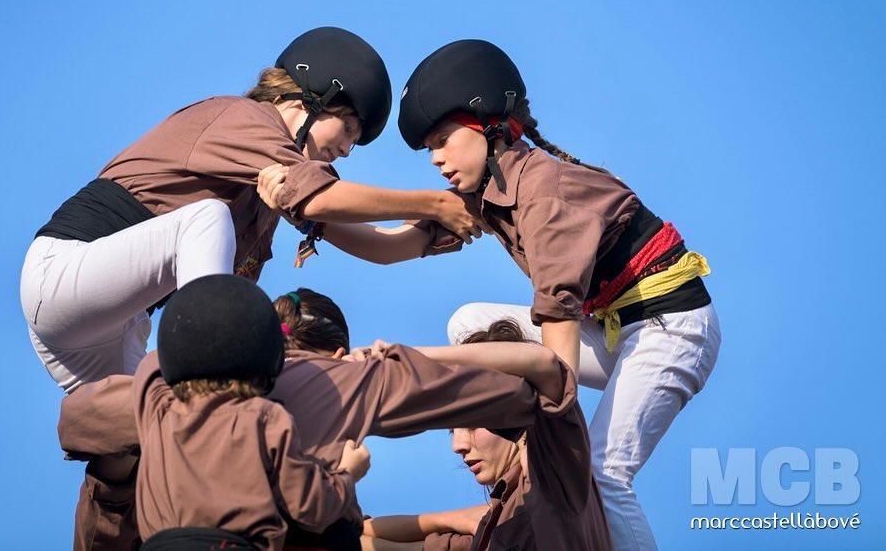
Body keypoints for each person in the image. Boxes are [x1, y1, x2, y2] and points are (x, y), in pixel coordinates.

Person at [258, 39, 720, 549]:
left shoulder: (544, 196)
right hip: (611, 328)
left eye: (442, 140)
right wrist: (303, 212)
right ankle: (514, 438)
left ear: (488, 125)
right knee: (467, 321)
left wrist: (554, 442)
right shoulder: (486, 195)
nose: (434, 159)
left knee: (603, 477)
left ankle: (534, 447)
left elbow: (559, 347)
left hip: (669, 328)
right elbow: (392, 248)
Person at [20, 26, 485, 394]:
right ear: (309, 98)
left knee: (159, 445)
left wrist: (437, 232)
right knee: (208, 218)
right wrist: (434, 201)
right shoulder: (243, 120)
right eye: (345, 128)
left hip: (115, 325)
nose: (346, 148)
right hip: (64, 272)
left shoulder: (270, 184)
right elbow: (322, 199)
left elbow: (376, 245)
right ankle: (214, 360)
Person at [59, 287, 545, 551]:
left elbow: (79, 419)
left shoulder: (155, 398)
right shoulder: (273, 416)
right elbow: (315, 507)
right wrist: (346, 475)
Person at [132, 274, 368, 551]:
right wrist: (347, 474)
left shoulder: (159, 406)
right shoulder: (266, 417)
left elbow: (154, 362)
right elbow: (312, 507)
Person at [361, 319, 613, 550]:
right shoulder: (498, 523)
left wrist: (414, 360)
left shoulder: (552, 473)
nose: (457, 445)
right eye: (452, 430)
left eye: (473, 425)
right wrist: (451, 518)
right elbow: (361, 539)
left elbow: (545, 366)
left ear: (510, 410)